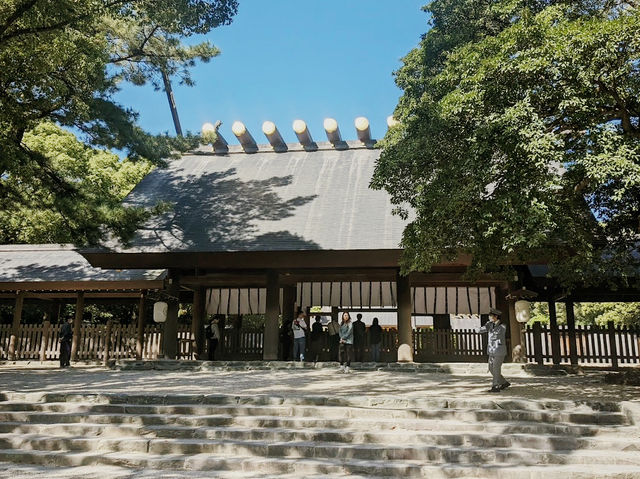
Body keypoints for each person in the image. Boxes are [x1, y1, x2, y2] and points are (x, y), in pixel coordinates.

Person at [477, 308, 510, 393]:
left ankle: (495, 386)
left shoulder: (502, 325)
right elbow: (483, 329)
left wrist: (490, 326)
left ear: (496, 317)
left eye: (491, 316)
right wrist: (478, 329)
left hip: (499, 350)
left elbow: (497, 334)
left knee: (496, 367)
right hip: (491, 350)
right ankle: (504, 382)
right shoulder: (489, 324)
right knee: (491, 368)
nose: (489, 317)